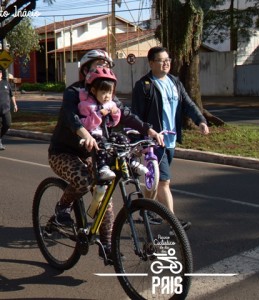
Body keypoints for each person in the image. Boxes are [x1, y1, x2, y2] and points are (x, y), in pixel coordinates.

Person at [48, 49, 164, 257]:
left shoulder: (108, 96)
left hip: (93, 154)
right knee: (83, 181)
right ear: (85, 70)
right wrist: (85, 133)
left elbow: (127, 115)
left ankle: (107, 245)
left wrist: (149, 130)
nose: (102, 68)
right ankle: (62, 209)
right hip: (63, 152)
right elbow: (69, 116)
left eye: (106, 65)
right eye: (96, 64)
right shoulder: (74, 92)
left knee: (105, 197)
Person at [131, 46, 209, 231]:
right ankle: (173, 222)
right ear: (151, 63)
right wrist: (143, 138)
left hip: (170, 140)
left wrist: (200, 120)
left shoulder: (174, 82)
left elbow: (188, 103)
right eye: (161, 60)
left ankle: (144, 209)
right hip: (154, 142)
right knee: (164, 181)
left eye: (168, 59)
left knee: (154, 179)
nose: (166, 63)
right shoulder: (144, 86)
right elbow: (136, 116)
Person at [78, 67, 121, 180]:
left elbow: (113, 123)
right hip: (92, 137)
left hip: (105, 134)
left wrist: (115, 113)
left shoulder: (110, 104)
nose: (107, 96)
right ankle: (103, 168)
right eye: (103, 92)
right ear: (93, 91)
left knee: (121, 139)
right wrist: (98, 114)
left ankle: (130, 162)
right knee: (101, 143)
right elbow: (85, 124)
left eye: (110, 92)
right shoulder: (86, 105)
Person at [0, 69, 18, 150]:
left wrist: (15, 104)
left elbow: (11, 95)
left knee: (7, 124)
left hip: (6, 109)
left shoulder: (6, 83)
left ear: (1, 74)